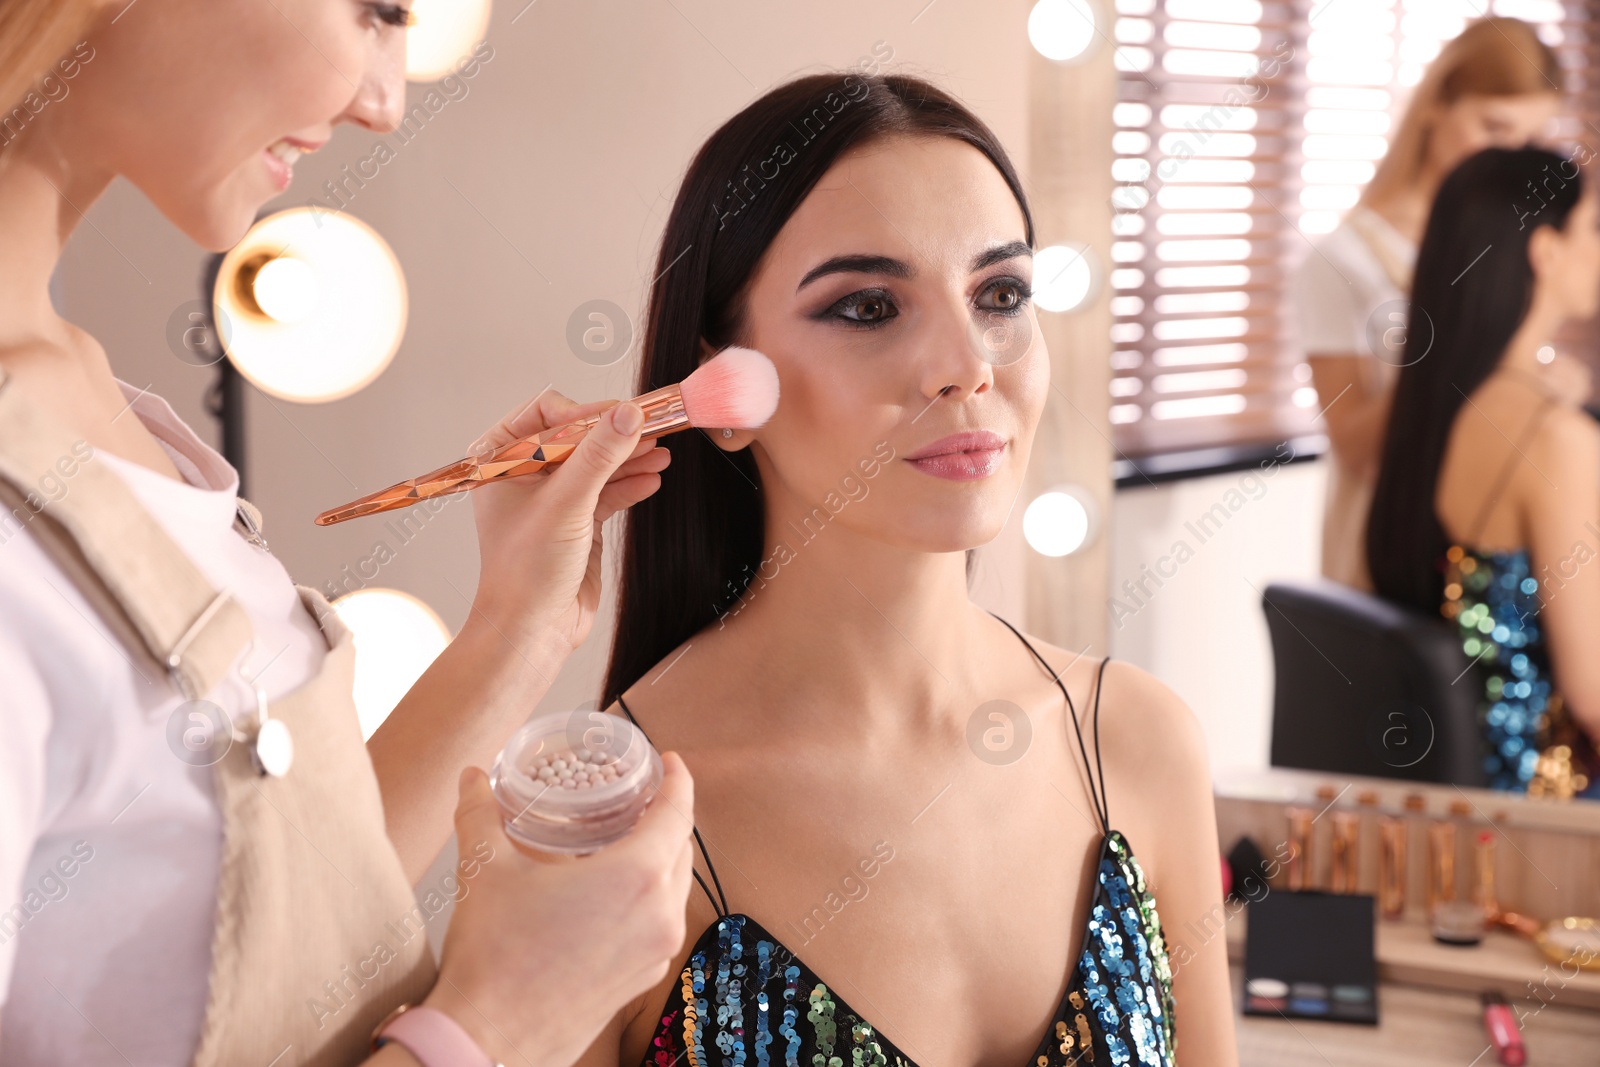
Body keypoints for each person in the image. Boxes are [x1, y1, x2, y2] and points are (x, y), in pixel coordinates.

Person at [0, 2, 696, 1064]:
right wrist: (502, 1017)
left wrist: (518, 619)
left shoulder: (88, 398)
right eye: (376, 10)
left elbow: (286, 887)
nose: (383, 103)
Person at [585, 73, 1236, 1067]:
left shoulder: (1136, 741)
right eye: (868, 305)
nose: (966, 361)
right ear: (723, 389)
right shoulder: (617, 818)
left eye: (1000, 294)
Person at [1294, 17, 1571, 591]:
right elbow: (1354, 448)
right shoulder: (1342, 262)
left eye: (1530, 140)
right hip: (1392, 546)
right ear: (1437, 104)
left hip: (1494, 537)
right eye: (1494, 126)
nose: (1510, 159)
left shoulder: (1516, 248)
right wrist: (1458, 334)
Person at [1367, 146, 1600, 797]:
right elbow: (1592, 693)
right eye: (1593, 229)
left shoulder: (1434, 405)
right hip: (1548, 805)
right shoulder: (1556, 437)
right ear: (1546, 251)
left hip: (1459, 793)